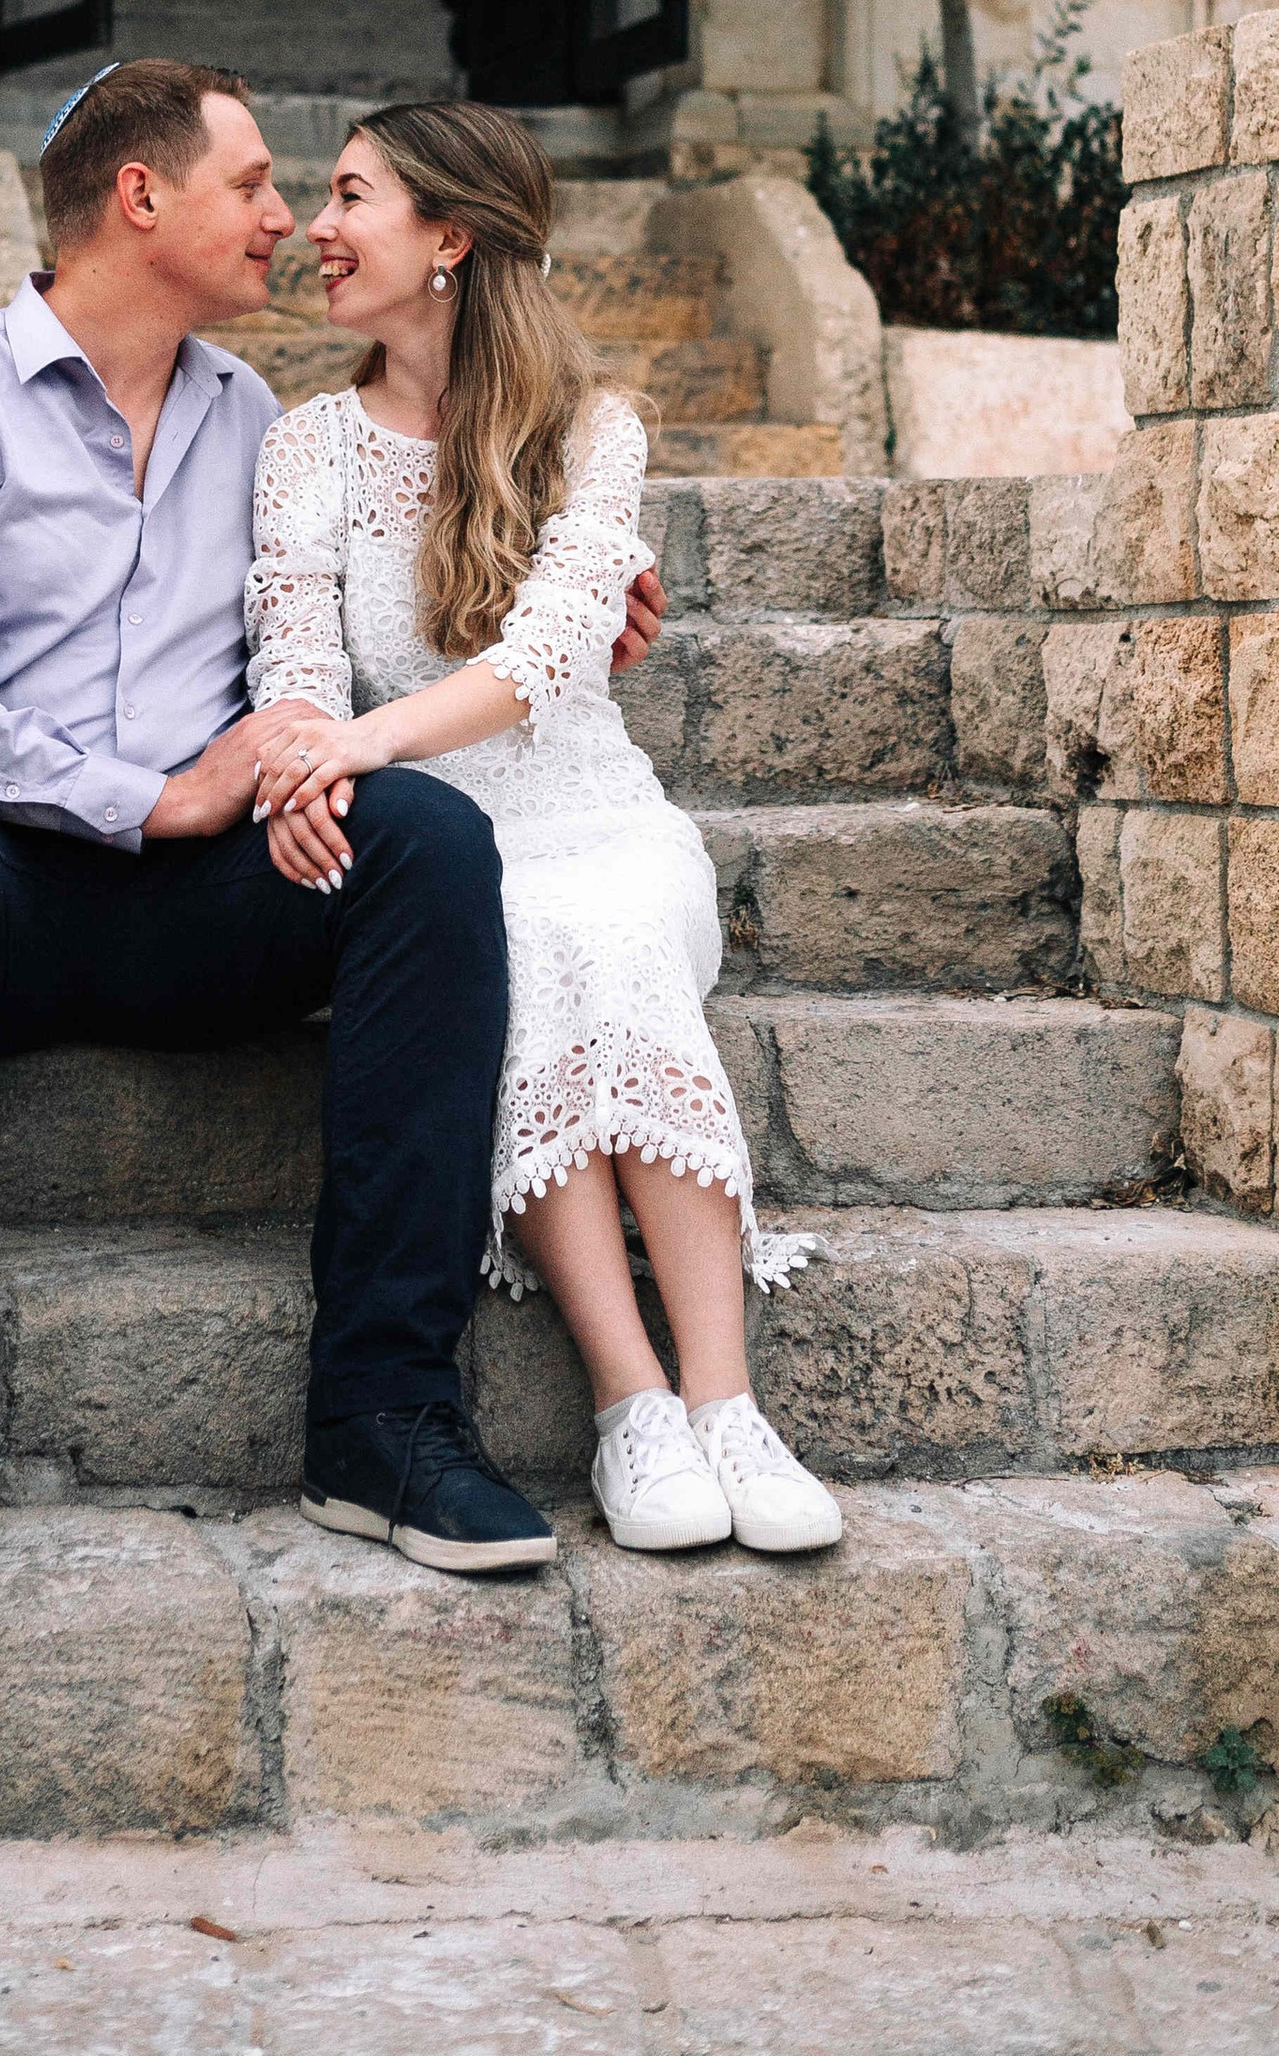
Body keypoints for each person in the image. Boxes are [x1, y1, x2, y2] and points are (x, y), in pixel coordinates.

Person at [0, 57, 666, 1600]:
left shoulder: (253, 418)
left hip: (204, 909)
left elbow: (347, 618)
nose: (284, 217)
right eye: (256, 184)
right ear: (143, 197)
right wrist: (154, 794)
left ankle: (382, 1415)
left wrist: (568, 602)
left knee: (430, 844)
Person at [245, 102, 842, 1559]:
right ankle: (631, 1400)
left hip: (597, 814)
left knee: (614, 923)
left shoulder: (592, 432)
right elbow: (296, 662)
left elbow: (558, 648)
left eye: (349, 198)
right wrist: (315, 767)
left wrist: (357, 744)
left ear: (450, 238)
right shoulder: (303, 449)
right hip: (437, 850)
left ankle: (727, 1401)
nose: (317, 229)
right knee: (509, 935)